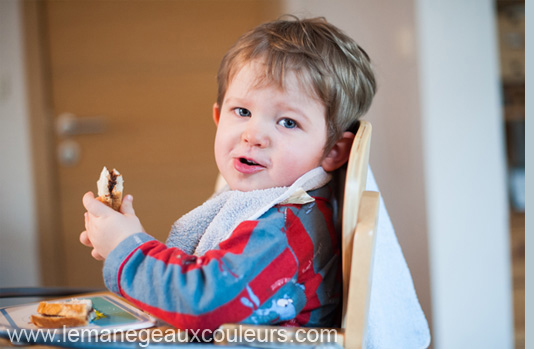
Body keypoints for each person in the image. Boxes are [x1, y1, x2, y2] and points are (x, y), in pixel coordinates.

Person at [79, 16, 376, 331]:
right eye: (243, 112)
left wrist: (128, 249)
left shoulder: (282, 231)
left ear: (333, 151)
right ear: (219, 118)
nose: (253, 134)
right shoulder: (271, 205)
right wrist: (121, 242)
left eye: (288, 122)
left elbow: (202, 304)